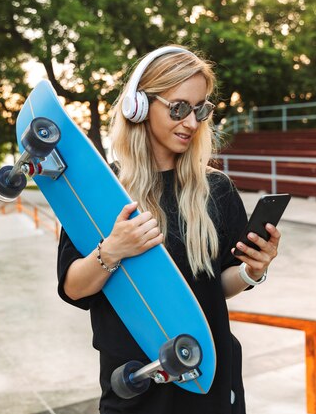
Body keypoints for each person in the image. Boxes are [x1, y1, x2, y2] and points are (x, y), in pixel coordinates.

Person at [57, 45, 281, 414]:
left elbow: (212, 289)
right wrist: (112, 250)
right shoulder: (102, 193)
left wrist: (250, 271)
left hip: (207, 375)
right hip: (135, 382)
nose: (191, 123)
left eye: (201, 110)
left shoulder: (217, 189)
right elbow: (73, 290)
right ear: (139, 107)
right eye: (178, 108)